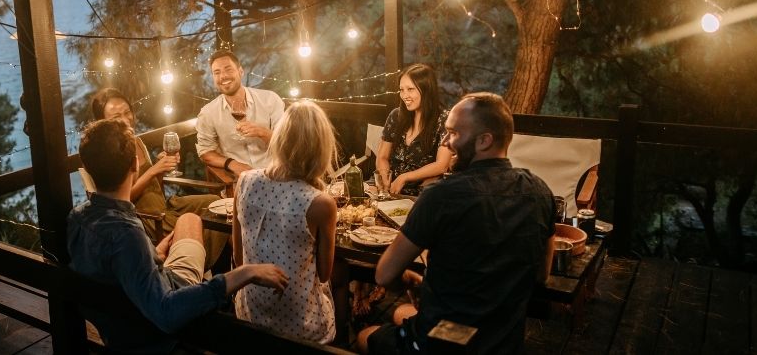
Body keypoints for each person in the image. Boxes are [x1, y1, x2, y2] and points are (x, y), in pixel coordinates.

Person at [67, 119, 289, 354]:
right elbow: (166, 313)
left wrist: (154, 255)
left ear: (87, 168)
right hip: (157, 331)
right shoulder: (127, 235)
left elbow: (115, 268)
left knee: (189, 219)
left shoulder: (78, 217)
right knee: (204, 230)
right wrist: (243, 274)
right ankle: (228, 298)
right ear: (134, 165)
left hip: (139, 300)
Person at [358, 92, 556, 355]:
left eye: (453, 133)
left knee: (364, 336)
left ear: (484, 140)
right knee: (403, 312)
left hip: (445, 344)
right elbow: (541, 274)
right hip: (502, 339)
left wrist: (407, 279)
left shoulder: (440, 196)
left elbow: (384, 274)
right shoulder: (540, 192)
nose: (445, 142)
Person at [232, 101, 338, 344]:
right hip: (301, 327)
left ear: (280, 139)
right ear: (321, 148)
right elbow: (324, 274)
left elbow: (239, 258)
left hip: (250, 313)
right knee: (338, 278)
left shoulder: (245, 181)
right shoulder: (320, 203)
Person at [89, 88, 226, 267]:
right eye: (116, 117)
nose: (126, 119)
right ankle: (195, 264)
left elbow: (155, 185)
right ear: (103, 122)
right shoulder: (111, 153)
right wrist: (153, 171)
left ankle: (208, 265)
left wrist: (160, 169)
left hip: (164, 204)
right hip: (150, 219)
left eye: (127, 112)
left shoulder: (135, 140)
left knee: (217, 203)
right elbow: (122, 200)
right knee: (213, 222)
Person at [196, 49, 285, 177]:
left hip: (275, 175)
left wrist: (262, 132)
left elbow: (287, 142)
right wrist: (232, 164)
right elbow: (205, 152)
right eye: (217, 72)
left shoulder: (270, 99)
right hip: (240, 182)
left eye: (228, 69)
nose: (223, 76)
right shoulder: (208, 113)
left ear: (241, 71)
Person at [376, 63, 453, 196]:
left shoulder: (444, 119)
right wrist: (385, 178)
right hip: (388, 190)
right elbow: (382, 157)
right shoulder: (396, 116)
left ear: (426, 90)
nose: (405, 95)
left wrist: (404, 178)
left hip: (421, 193)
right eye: (402, 90)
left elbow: (442, 165)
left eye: (410, 89)